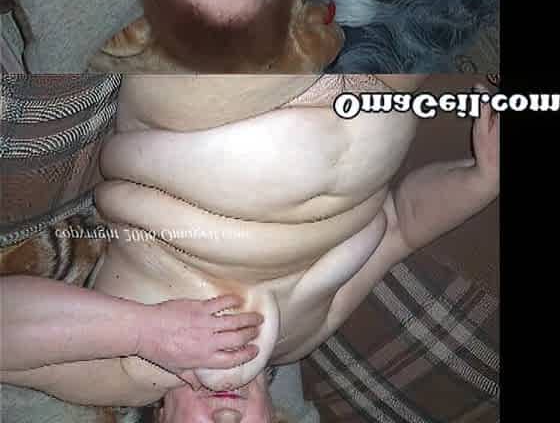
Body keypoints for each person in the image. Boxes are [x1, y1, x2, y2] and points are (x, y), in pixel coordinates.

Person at [1, 74, 499, 423]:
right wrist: (481, 181)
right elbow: (400, 228)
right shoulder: (300, 340)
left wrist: (147, 331)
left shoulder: (128, 375)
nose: (226, 419)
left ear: (162, 417)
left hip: (223, 96)